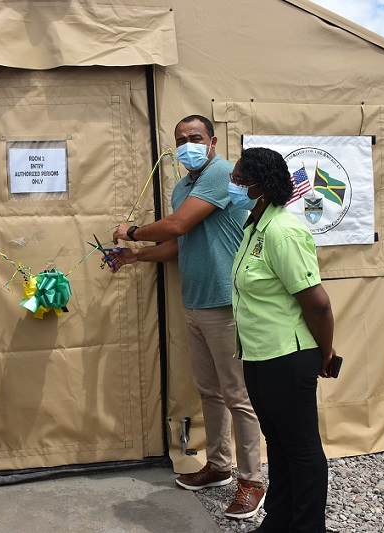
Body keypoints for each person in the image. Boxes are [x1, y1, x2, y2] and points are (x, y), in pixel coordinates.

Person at [111, 115, 265, 520]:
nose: (187, 145)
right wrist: (137, 256)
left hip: (226, 303)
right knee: (209, 392)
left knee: (238, 396)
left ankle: (251, 481)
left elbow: (177, 224)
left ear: (213, 141)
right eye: (180, 140)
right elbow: (181, 242)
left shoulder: (220, 173)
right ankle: (218, 467)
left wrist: (133, 232)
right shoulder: (183, 186)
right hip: (195, 301)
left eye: (195, 137)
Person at [229, 147, 337, 532]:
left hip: (289, 358)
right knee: (276, 440)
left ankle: (307, 526)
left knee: (302, 448)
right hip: (258, 355)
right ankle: (281, 520)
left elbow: (318, 306)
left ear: (262, 183)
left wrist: (325, 353)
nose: (234, 183)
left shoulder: (283, 231)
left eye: (241, 177)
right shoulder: (254, 225)